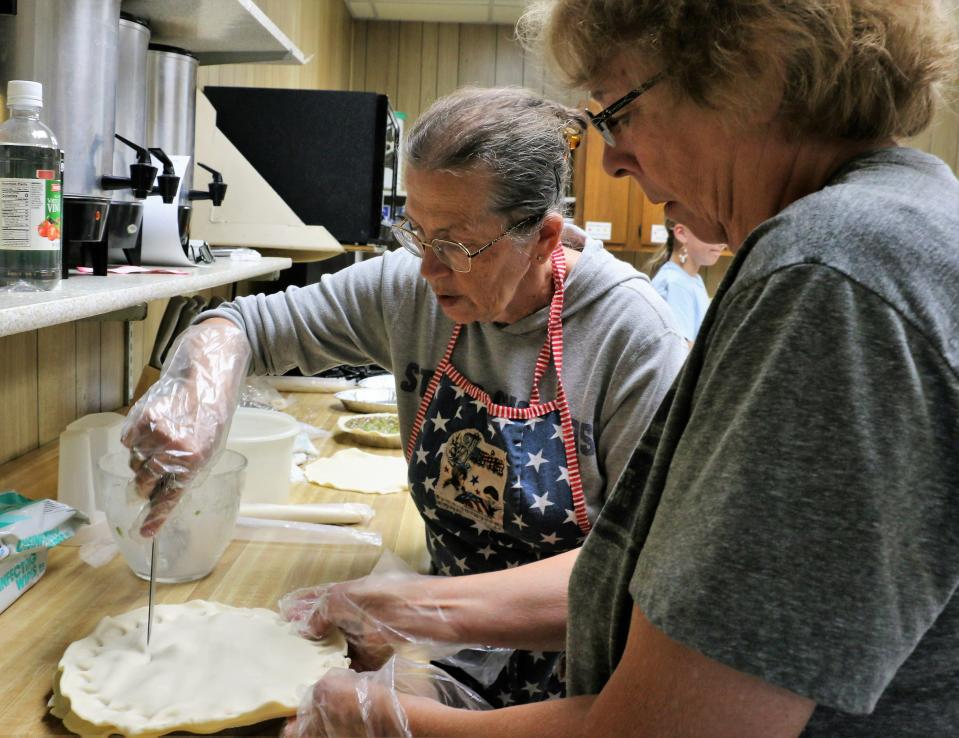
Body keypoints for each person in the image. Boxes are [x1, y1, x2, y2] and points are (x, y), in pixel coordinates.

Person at [281, 1, 959, 735]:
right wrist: (398, 607)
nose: (608, 158)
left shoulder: (831, 272)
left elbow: (673, 728)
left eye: (618, 110)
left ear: (749, 70)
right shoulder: (897, 223)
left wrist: (387, 720)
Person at [122, 87, 687, 706]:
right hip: (447, 654)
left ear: (546, 239)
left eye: (455, 245)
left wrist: (418, 606)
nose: (427, 270)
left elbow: (641, 579)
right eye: (416, 234)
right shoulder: (412, 289)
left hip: (583, 686)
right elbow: (250, 325)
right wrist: (200, 385)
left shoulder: (633, 339)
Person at [647, 219, 725, 344]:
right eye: (712, 231)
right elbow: (683, 350)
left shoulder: (693, 279)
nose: (722, 242)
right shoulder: (675, 283)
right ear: (681, 233)